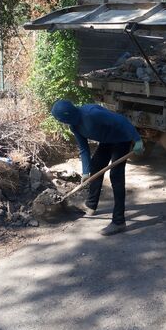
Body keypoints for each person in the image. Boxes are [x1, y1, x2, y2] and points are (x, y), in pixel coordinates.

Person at [51, 100, 144, 236]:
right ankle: (91, 205)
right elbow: (84, 149)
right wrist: (85, 172)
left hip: (121, 139)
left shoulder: (92, 114)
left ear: (67, 116)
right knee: (95, 167)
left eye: (61, 119)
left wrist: (137, 139)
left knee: (116, 176)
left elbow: (121, 121)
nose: (62, 122)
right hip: (106, 141)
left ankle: (119, 222)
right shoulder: (74, 126)